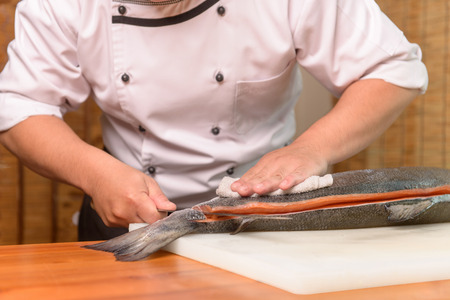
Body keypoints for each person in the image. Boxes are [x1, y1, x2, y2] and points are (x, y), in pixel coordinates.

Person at [0, 0, 428, 240]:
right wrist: (95, 174)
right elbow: (19, 103)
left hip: (267, 216)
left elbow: (392, 68)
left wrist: (309, 149)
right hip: (126, 218)